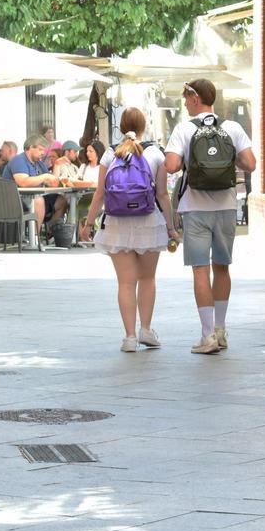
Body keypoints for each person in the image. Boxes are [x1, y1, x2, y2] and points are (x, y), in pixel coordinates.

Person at [164, 79, 255, 354]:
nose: (184, 104)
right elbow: (250, 163)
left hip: (195, 209)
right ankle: (221, 330)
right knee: (222, 268)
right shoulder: (232, 128)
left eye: (186, 99)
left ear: (195, 98)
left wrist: (188, 159)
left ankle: (207, 336)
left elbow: (171, 166)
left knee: (200, 270)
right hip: (226, 207)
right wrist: (227, 160)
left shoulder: (184, 129)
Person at [80, 108, 176, 352]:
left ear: (121, 127)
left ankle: (130, 337)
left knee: (125, 283)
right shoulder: (155, 153)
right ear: (144, 126)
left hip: (116, 223)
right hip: (148, 222)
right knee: (147, 279)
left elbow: (100, 194)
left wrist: (88, 224)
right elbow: (162, 195)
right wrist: (171, 227)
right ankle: (146, 329)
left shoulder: (110, 154)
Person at [4, 134, 68, 235]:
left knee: (62, 201)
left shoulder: (39, 163)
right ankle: (34, 237)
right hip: (15, 201)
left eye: (44, 150)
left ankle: (51, 234)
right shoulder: (19, 160)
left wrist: (57, 165)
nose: (43, 153)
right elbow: (23, 182)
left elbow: (53, 183)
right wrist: (44, 177)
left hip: (33, 198)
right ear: (30, 147)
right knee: (38, 201)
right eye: (40, 149)